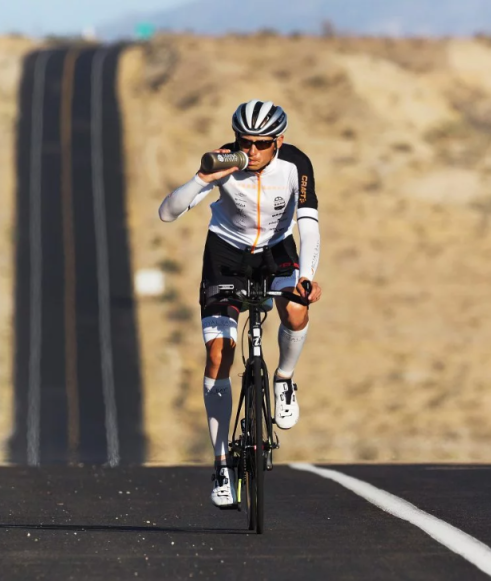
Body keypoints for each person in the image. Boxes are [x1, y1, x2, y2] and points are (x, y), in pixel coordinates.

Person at [158, 99, 322, 508]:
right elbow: (167, 213)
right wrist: (202, 178)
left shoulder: (296, 164)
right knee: (219, 354)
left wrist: (306, 276)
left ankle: (284, 379)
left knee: (296, 309)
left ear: (278, 141)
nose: (251, 151)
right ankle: (220, 464)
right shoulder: (224, 161)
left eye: (261, 143)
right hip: (226, 253)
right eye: (244, 142)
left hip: (276, 249)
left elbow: (308, 226)